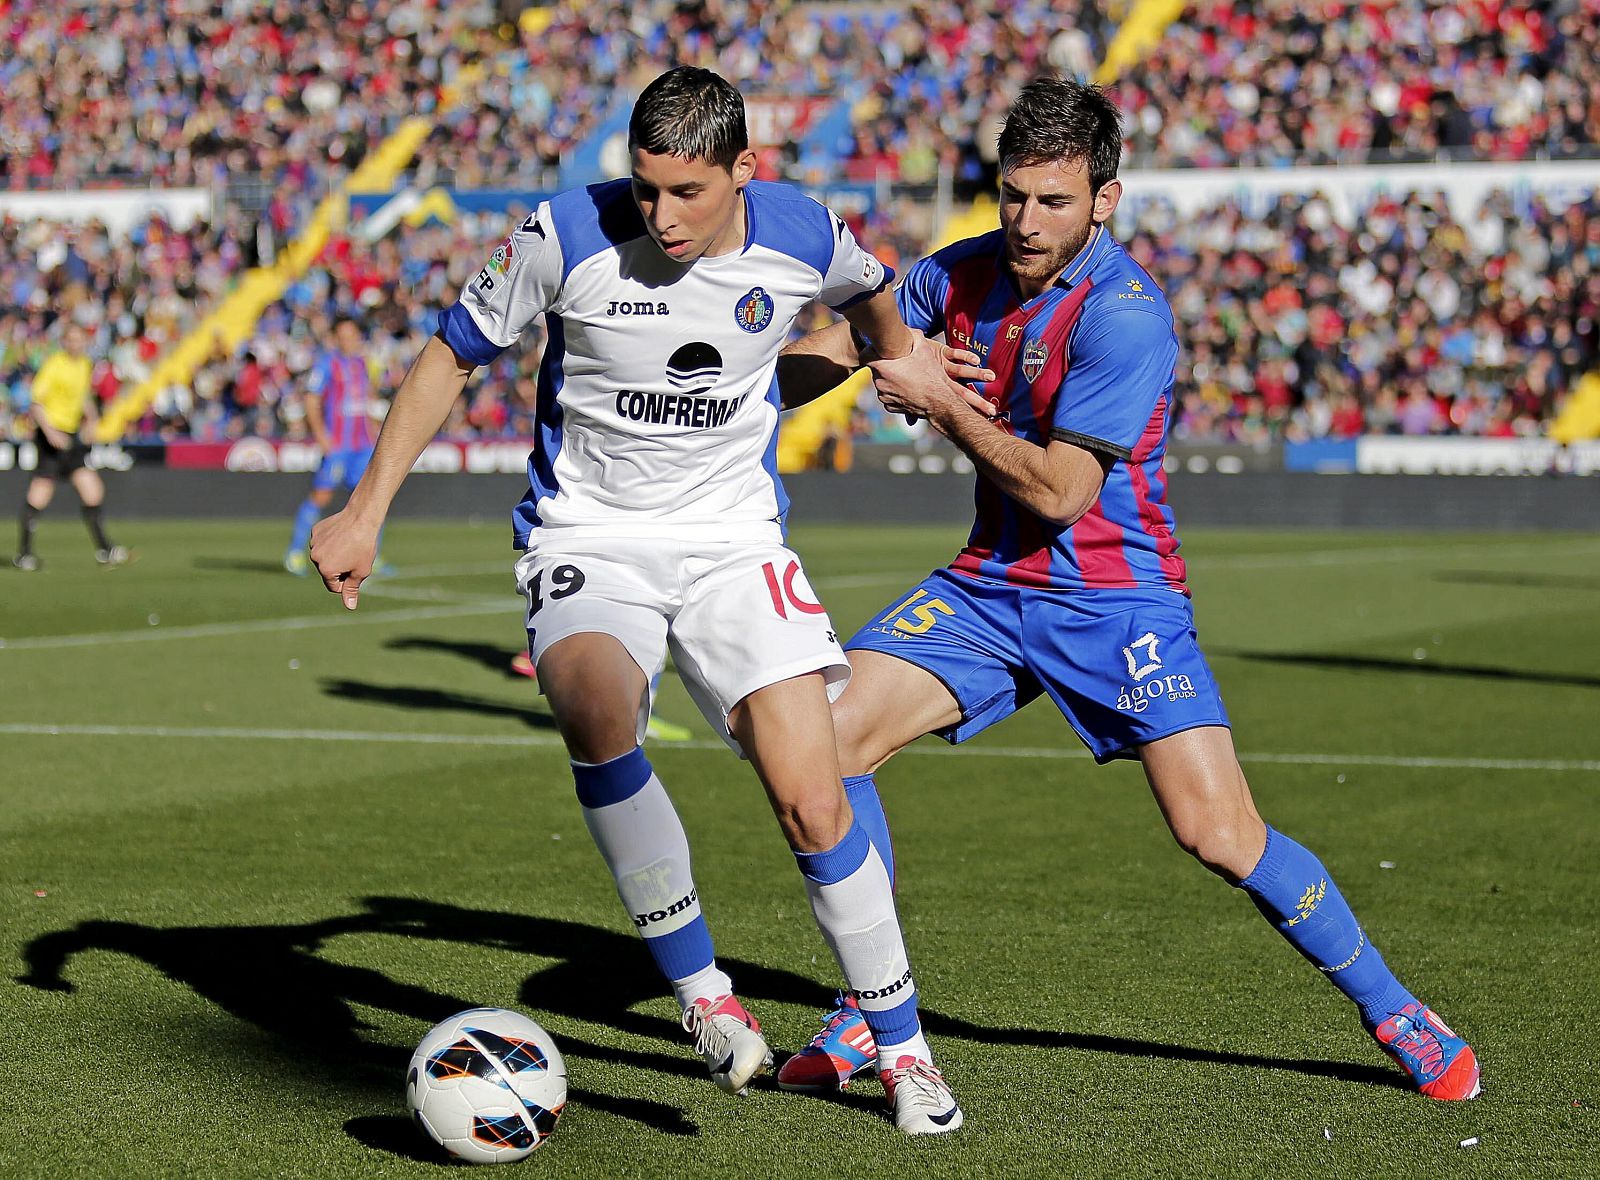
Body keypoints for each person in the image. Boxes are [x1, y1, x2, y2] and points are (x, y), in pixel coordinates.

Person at [308, 67, 993, 1134]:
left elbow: (873, 300)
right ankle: (705, 996)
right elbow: (451, 355)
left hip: (733, 542)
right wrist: (365, 510)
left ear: (744, 171)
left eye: (688, 192)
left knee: (813, 800)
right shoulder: (562, 235)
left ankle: (905, 1051)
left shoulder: (805, 232)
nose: (662, 215)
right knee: (596, 709)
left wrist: (904, 365)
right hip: (591, 536)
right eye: (645, 189)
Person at [773, 78, 1481, 1103]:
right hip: (990, 584)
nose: (1026, 221)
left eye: (1053, 202)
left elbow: (1062, 493)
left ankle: (1394, 1008)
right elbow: (837, 348)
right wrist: (729, 378)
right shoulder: (958, 271)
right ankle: (871, 1007)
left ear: (1104, 199)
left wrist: (938, 398)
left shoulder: (1126, 316)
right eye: (1013, 195)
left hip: (1115, 597)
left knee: (1218, 833)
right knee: (827, 746)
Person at [13, 324, 128, 571]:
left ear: (85, 342)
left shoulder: (85, 365)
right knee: (40, 493)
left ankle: (105, 550)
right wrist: (50, 432)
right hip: (51, 436)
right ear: (64, 342)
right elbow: (36, 403)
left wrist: (92, 419)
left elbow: (83, 396)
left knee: (92, 490)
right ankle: (24, 554)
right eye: (71, 339)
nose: (75, 344)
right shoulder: (54, 365)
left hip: (72, 436)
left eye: (79, 339)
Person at [284, 315, 386, 576]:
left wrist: (374, 428)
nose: (348, 341)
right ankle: (295, 553)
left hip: (363, 445)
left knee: (372, 500)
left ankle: (373, 557)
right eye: (343, 337)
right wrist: (321, 435)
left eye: (352, 336)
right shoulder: (326, 364)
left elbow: (368, 398)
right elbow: (311, 399)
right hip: (338, 445)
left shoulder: (363, 364)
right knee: (322, 495)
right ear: (336, 338)